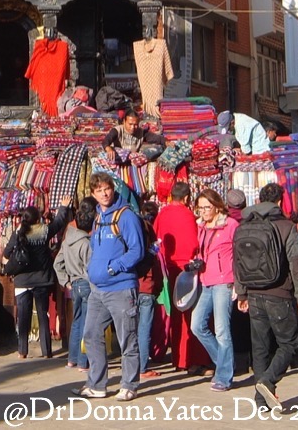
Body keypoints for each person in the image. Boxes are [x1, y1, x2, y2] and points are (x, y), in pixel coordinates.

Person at [234, 182, 298, 415]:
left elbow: (236, 263)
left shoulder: (243, 226)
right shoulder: (287, 226)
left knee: (260, 348)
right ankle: (268, 381)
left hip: (253, 294)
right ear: (279, 201)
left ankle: (261, 400)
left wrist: (241, 292)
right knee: (289, 343)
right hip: (279, 294)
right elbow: (297, 264)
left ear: (259, 200)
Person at [74, 171, 144, 402]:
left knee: (127, 339)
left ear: (113, 189)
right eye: (99, 190)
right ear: (93, 194)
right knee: (91, 334)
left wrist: (114, 268)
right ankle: (97, 384)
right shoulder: (98, 217)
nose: (104, 194)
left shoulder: (126, 216)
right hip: (97, 290)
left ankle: (129, 385)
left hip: (121, 288)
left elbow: (137, 251)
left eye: (107, 189)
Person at [3, 197, 73, 359]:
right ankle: (47, 351)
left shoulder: (18, 233)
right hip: (42, 279)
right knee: (43, 315)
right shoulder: (44, 231)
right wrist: (63, 207)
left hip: (22, 281)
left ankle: (22, 351)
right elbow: (58, 223)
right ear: (37, 219)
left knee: (23, 317)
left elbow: (6, 254)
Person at [153, 182, 209, 373]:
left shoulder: (162, 214)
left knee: (176, 315)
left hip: (168, 270)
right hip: (188, 270)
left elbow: (156, 239)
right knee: (192, 314)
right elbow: (194, 243)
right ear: (186, 198)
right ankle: (192, 359)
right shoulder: (188, 215)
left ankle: (179, 359)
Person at [190, 189, 239, 392]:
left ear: (217, 206)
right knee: (197, 325)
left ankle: (224, 377)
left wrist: (238, 284)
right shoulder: (200, 226)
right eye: (200, 208)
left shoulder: (230, 225)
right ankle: (225, 362)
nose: (203, 212)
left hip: (223, 282)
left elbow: (239, 255)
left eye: (207, 207)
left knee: (222, 330)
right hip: (204, 281)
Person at [54, 197, 97, 371]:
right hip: (86, 284)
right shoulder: (86, 243)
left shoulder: (67, 240)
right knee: (87, 323)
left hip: (74, 284)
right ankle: (83, 361)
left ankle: (72, 359)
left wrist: (65, 281)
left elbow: (58, 263)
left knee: (77, 321)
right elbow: (91, 267)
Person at [135, 202, 165, 379]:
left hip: (131, 287)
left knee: (132, 329)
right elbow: (157, 273)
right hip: (147, 289)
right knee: (144, 329)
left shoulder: (132, 247)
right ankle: (142, 367)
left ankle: (132, 364)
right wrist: (158, 288)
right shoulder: (152, 250)